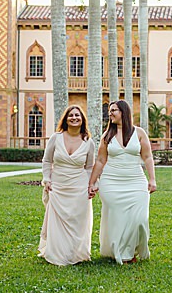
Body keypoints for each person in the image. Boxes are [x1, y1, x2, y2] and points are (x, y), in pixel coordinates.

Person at [88, 100, 157, 264]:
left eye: (114, 110)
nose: (110, 113)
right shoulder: (107, 135)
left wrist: (152, 179)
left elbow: (147, 157)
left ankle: (132, 248)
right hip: (111, 182)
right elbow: (100, 160)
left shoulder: (139, 133)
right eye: (110, 111)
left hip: (136, 181)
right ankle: (123, 253)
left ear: (124, 112)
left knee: (139, 219)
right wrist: (92, 182)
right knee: (118, 219)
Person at [39, 105, 96, 266]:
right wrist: (47, 179)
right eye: (71, 115)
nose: (74, 118)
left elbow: (89, 166)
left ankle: (75, 254)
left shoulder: (88, 142)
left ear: (82, 119)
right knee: (57, 221)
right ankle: (57, 253)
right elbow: (47, 160)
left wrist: (91, 185)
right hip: (58, 185)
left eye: (77, 115)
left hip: (79, 186)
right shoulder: (56, 138)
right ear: (66, 119)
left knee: (77, 221)